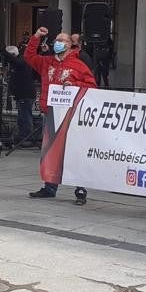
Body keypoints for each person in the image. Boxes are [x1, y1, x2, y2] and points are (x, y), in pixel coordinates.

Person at [25, 27, 97, 204]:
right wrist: (36, 37)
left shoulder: (79, 65)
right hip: (50, 113)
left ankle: (80, 189)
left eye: (63, 40)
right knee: (50, 152)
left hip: (71, 116)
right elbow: (28, 56)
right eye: (57, 40)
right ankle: (50, 186)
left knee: (74, 152)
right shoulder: (46, 62)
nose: (59, 43)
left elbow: (92, 86)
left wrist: (74, 83)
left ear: (70, 45)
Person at [3, 45, 39, 147]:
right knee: (21, 117)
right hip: (21, 94)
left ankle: (28, 138)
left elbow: (15, 61)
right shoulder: (17, 64)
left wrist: (3, 51)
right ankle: (22, 136)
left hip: (25, 94)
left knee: (25, 117)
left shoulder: (22, 61)